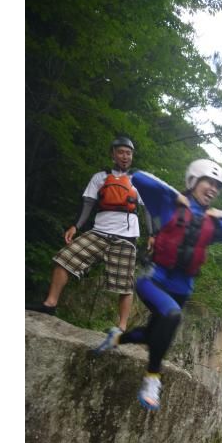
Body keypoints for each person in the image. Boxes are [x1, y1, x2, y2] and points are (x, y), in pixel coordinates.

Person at [94, 159, 222, 411]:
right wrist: (175, 194)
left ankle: (116, 339)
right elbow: (138, 176)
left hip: (181, 290)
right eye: (208, 182)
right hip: (153, 281)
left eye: (218, 186)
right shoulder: (168, 202)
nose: (213, 189)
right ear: (193, 180)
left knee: (152, 334)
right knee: (172, 316)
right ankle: (152, 378)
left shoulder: (214, 223)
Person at [27, 137, 153, 333]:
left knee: (124, 283)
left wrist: (152, 234)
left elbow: (147, 210)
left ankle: (121, 327)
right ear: (113, 154)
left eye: (128, 153)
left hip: (126, 236)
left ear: (132, 156)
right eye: (120, 152)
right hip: (99, 232)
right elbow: (87, 203)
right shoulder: (99, 177)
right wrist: (75, 226)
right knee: (64, 258)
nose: (125, 156)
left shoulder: (140, 181)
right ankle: (50, 304)